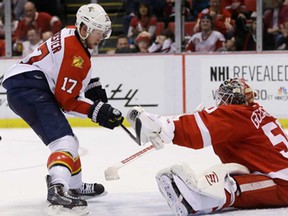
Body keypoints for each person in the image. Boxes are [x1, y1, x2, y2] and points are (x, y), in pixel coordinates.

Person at [2, 3, 123, 215]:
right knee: (64, 141)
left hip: (27, 83)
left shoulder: (70, 32)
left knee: (70, 141)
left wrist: (91, 86)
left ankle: (74, 187)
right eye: (98, 32)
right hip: (30, 88)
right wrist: (97, 112)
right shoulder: (77, 55)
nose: (102, 37)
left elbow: (63, 69)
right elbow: (67, 101)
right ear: (84, 29)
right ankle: (57, 188)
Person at [126, 78, 288, 215]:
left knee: (232, 187)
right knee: (226, 172)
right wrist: (198, 118)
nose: (221, 102)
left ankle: (197, 202)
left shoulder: (238, 115)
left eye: (225, 98)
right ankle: (196, 192)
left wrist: (161, 127)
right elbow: (213, 125)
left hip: (283, 186)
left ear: (233, 100)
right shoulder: (253, 112)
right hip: (271, 175)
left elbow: (197, 131)